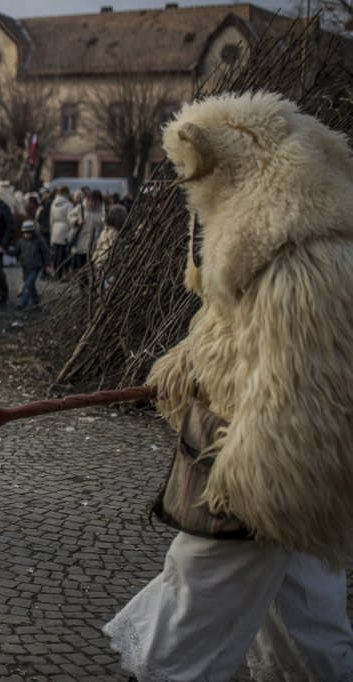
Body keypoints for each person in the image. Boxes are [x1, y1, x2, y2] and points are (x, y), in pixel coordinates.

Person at [104, 91, 353, 682]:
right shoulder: (267, 249)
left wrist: (256, 485)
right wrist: (187, 366)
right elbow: (236, 333)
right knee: (309, 620)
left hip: (264, 472)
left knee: (197, 594)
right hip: (262, 462)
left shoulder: (304, 262)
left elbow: (303, 395)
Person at [11, 220, 51, 309]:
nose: (27, 234)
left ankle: (22, 303)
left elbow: (45, 253)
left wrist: (47, 264)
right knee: (31, 285)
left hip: (36, 266)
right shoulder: (21, 241)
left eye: (29, 232)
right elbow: (16, 252)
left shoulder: (40, 241)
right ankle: (37, 302)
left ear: (33, 232)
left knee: (28, 284)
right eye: (25, 232)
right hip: (25, 267)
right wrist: (6, 251)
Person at [48, 187, 74, 279]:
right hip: (65, 229)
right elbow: (70, 219)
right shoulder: (68, 204)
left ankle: (56, 273)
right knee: (63, 254)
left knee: (56, 254)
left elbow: (51, 219)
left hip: (55, 228)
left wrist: (52, 229)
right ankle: (63, 273)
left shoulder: (53, 203)